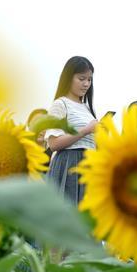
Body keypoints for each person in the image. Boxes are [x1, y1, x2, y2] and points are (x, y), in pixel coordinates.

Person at [44, 56, 98, 204]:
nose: (86, 84)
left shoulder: (88, 109)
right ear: (69, 78)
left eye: (89, 79)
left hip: (89, 168)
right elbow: (53, 143)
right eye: (82, 79)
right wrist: (85, 130)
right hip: (69, 166)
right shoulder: (60, 104)